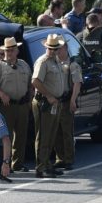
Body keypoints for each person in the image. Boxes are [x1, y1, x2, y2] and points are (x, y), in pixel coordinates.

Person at [0, 37, 32, 173]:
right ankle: (5, 163)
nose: (9, 53)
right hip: (6, 105)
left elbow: (30, 84)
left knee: (22, 135)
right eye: (7, 50)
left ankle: (18, 163)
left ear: (17, 50)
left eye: (12, 50)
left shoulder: (24, 65)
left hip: (22, 104)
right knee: (6, 136)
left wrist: (30, 97)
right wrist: (1, 94)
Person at [31, 35, 67, 178]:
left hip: (54, 102)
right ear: (46, 48)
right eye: (50, 49)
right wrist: (49, 96)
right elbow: (35, 81)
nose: (53, 51)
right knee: (43, 136)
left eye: (55, 49)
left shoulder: (55, 60)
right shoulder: (43, 61)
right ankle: (40, 167)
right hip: (44, 103)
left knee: (51, 135)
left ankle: (47, 164)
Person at [52, 44, 81, 172]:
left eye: (60, 48)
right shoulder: (53, 64)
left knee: (66, 131)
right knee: (56, 131)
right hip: (55, 102)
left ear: (65, 49)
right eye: (55, 49)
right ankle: (60, 158)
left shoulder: (72, 65)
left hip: (66, 100)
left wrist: (73, 100)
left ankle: (68, 159)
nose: (57, 51)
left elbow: (77, 83)